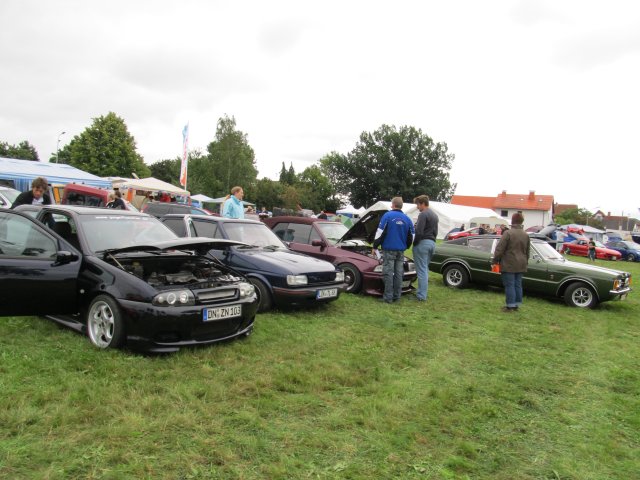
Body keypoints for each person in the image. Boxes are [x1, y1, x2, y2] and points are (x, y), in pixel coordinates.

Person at [373, 197, 415, 303]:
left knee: (388, 273)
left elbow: (379, 232)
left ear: (393, 205)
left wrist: (375, 246)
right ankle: (397, 297)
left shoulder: (387, 216)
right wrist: (406, 246)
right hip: (400, 250)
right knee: (398, 273)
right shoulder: (407, 218)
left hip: (388, 249)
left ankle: (388, 297)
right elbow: (412, 235)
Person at [492, 212, 531, 313]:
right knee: (518, 285)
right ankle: (517, 304)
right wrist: (525, 262)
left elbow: (500, 249)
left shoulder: (508, 233)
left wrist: (495, 260)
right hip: (521, 263)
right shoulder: (526, 235)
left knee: (510, 285)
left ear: (512, 221)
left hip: (509, 263)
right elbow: (528, 251)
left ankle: (510, 306)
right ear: (522, 221)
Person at [412, 195, 439, 302]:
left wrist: (415, 243)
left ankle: (421, 295)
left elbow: (419, 231)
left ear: (422, 203)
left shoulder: (423, 214)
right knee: (425, 269)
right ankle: (422, 293)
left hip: (423, 243)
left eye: (418, 205)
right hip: (432, 243)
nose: (417, 207)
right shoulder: (435, 215)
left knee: (421, 270)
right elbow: (435, 232)